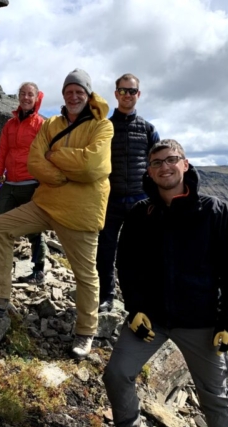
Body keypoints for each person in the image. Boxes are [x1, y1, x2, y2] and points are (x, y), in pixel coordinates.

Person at [102, 139, 228, 427]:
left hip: (201, 323)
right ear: (149, 172)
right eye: (156, 163)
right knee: (116, 373)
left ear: (184, 164)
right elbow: (127, 264)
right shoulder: (141, 214)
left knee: (215, 399)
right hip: (151, 319)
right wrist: (134, 308)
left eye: (171, 160)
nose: (164, 167)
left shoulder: (214, 211)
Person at [0, 68, 113, 359]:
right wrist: (64, 174)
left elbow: (93, 166)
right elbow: (34, 161)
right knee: (0, 227)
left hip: (81, 212)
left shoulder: (102, 126)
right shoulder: (52, 123)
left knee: (85, 275)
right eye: (69, 91)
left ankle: (85, 331)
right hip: (45, 202)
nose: (73, 95)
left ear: (88, 94)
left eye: (79, 91)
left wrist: (53, 157)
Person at [96, 73, 160, 312]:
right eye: (123, 91)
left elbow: (158, 165)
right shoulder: (105, 127)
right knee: (105, 251)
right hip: (109, 200)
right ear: (116, 94)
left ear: (138, 95)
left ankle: (140, 298)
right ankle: (107, 296)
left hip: (140, 201)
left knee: (139, 253)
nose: (127, 95)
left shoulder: (148, 128)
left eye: (132, 91)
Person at [0, 82, 48, 283]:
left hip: (31, 183)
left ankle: (38, 270)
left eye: (30, 94)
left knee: (33, 229)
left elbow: (46, 154)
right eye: (22, 94)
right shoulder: (10, 125)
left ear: (37, 98)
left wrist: (44, 182)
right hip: (10, 184)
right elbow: (2, 152)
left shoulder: (41, 124)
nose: (26, 97)